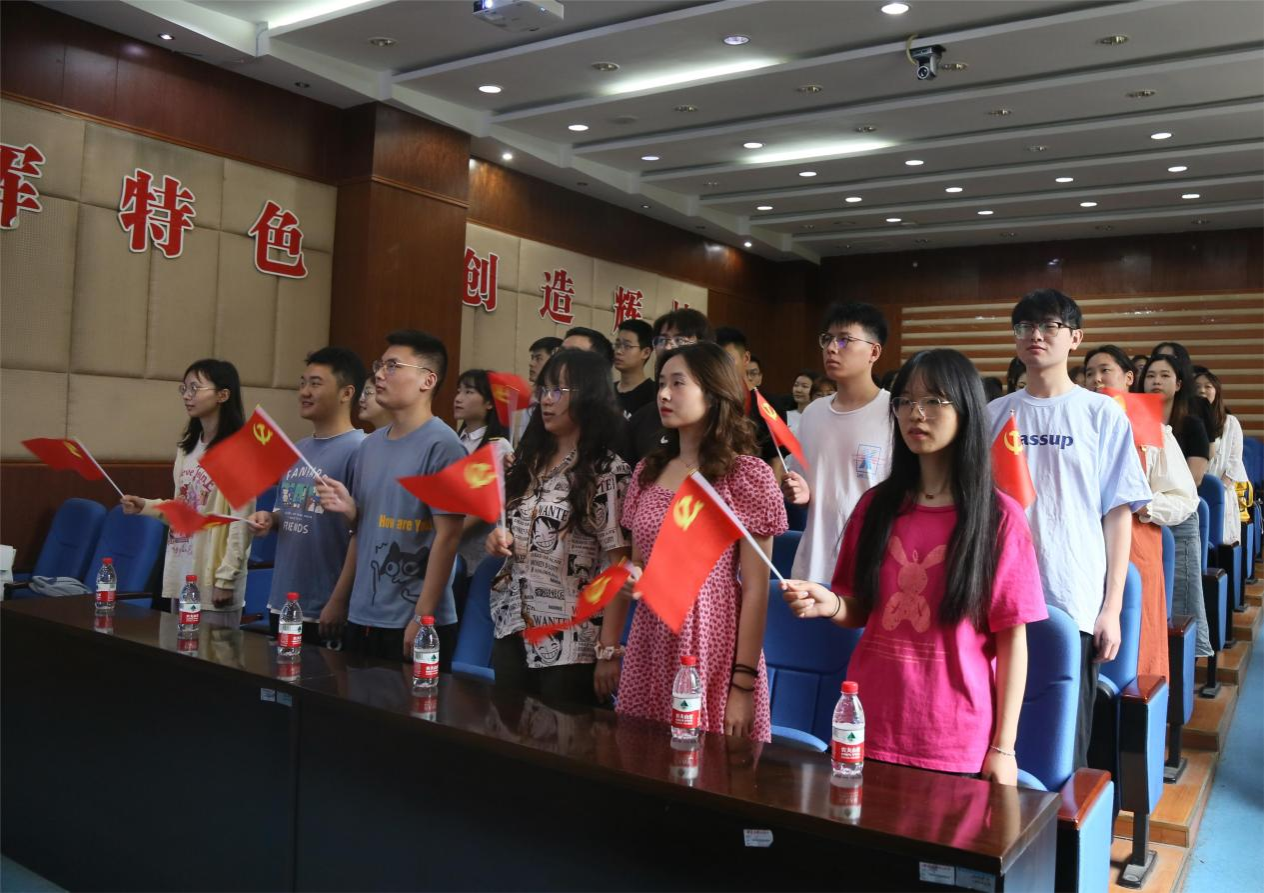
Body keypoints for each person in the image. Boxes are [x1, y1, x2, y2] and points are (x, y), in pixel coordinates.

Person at [782, 349, 1046, 782]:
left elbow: (1013, 640)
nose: (915, 414)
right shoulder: (876, 506)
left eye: (933, 401)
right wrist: (830, 604)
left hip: (953, 736)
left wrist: (1004, 747)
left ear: (966, 410)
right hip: (869, 724)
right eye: (905, 401)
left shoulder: (998, 517)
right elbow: (859, 608)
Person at [988, 290, 1150, 769]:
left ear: (1075, 338)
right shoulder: (995, 414)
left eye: (1049, 326)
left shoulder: (1101, 414)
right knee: (999, 729)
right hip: (1000, 592)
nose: (1035, 336)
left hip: (1071, 594)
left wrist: (1112, 607)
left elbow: (1117, 514)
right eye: (1024, 327)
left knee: (1062, 739)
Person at [602, 342, 787, 740]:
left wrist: (743, 685)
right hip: (652, 633)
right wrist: (633, 577)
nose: (664, 395)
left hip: (711, 634)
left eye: (678, 383)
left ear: (714, 394)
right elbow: (638, 562)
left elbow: (756, 589)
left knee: (707, 760)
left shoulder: (746, 475)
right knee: (642, 752)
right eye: (661, 384)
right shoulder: (649, 471)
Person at [485, 349, 630, 704]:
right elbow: (513, 525)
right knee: (504, 727)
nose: (546, 400)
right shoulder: (526, 460)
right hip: (512, 623)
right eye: (543, 390)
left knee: (563, 733)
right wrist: (497, 538)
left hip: (571, 640)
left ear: (589, 397)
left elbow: (619, 566)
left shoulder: (607, 471)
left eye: (558, 391)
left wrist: (608, 649)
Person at [316, 330, 467, 666]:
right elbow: (361, 531)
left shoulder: (443, 446)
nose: (380, 375)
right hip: (363, 614)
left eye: (393, 366)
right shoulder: (369, 446)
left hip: (415, 620)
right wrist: (339, 599)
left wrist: (422, 618)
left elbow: (448, 537)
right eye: (379, 366)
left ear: (427, 380)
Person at [1085, 345, 1199, 677]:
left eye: (1105, 371)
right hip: (1086, 545)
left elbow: (1184, 498)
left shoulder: (1152, 428)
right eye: (1089, 373)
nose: (1096, 379)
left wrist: (1140, 502)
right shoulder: (1078, 425)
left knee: (1136, 644)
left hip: (1137, 544)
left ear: (1128, 378)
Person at [245, 348, 367, 645]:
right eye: (302, 383)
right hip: (283, 600)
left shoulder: (361, 449)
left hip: (326, 607)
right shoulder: (297, 449)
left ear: (346, 393)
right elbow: (286, 510)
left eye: (315, 383)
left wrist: (338, 601)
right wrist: (269, 518)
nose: (304, 392)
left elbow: (362, 531)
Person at [121, 359, 252, 623]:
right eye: (184, 388)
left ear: (223, 395)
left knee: (211, 649)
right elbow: (184, 510)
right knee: (175, 645)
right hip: (180, 572)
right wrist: (145, 506)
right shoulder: (186, 449)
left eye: (195, 388)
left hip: (214, 582)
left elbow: (242, 523)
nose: (187, 395)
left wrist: (226, 579)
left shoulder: (238, 452)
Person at [782, 302, 894, 585]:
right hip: (813, 567)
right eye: (827, 339)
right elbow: (808, 489)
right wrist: (800, 493)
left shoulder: (894, 412)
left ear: (874, 352)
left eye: (844, 340)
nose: (832, 348)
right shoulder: (813, 413)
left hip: (870, 570)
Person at [625, 307, 715, 463]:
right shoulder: (641, 419)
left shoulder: (721, 421)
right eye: (662, 340)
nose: (667, 347)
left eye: (679, 340)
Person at [453, 369, 511, 588]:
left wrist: (446, 534)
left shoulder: (498, 447)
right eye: (458, 391)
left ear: (489, 403)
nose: (458, 398)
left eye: (468, 392)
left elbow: (488, 504)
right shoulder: (454, 440)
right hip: (450, 547)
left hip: (476, 555)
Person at [1194, 365, 1248, 546]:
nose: (1202, 390)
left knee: (1220, 546)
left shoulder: (1230, 423)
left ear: (1216, 391)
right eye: (1197, 387)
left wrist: (1215, 491)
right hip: (1192, 494)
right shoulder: (1187, 421)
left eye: (1207, 386)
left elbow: (1234, 463)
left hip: (1221, 494)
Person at [1139, 353, 1209, 487]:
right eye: (1150, 376)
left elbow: (1194, 478)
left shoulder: (1193, 426)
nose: (1156, 381)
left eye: (1165, 375)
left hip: (1177, 497)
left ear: (1178, 385)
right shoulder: (1132, 422)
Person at [612, 319, 656, 419]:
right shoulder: (606, 390)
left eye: (627, 346)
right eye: (617, 345)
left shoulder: (654, 395)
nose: (618, 351)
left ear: (646, 353)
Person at [787, 369, 816, 434]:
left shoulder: (820, 417)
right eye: (796, 385)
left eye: (804, 386)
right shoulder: (784, 416)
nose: (798, 390)